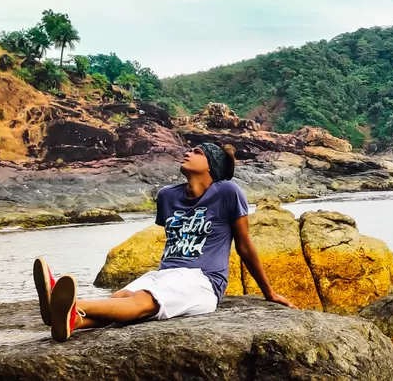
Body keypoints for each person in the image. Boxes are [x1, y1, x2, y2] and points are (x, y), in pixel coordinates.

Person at [32, 142, 296, 342]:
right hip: (164, 273)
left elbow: (245, 245)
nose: (188, 152)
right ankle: (72, 322)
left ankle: (65, 302)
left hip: (203, 280)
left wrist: (269, 293)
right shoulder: (167, 195)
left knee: (140, 304)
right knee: (120, 298)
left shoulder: (228, 192)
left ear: (211, 167)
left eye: (197, 152)